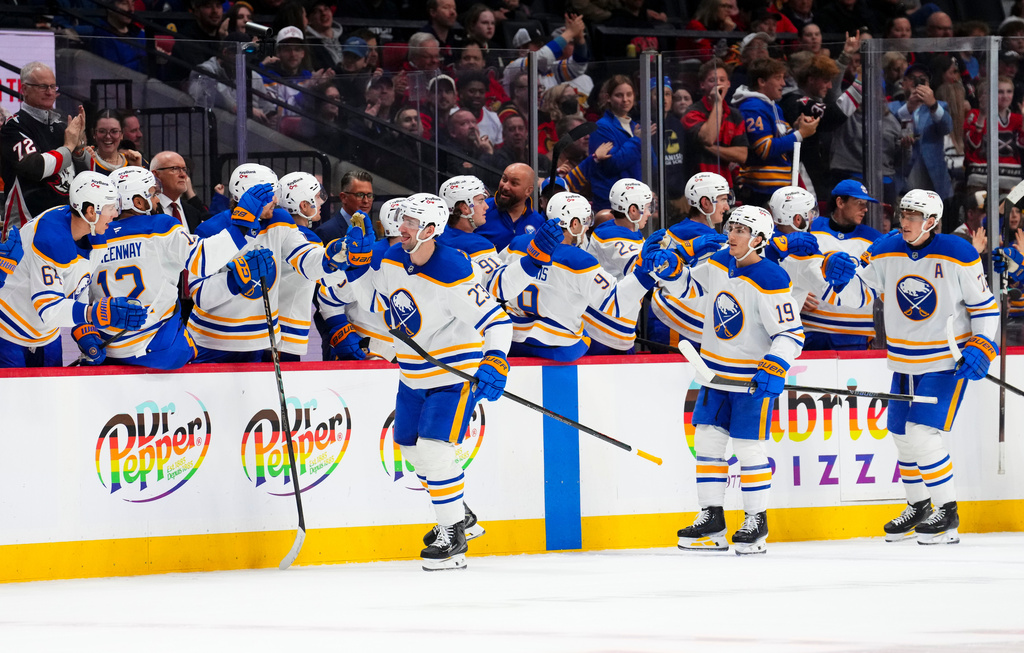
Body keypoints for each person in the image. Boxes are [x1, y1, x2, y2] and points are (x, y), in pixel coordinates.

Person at [341, 193, 513, 570]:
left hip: (455, 373)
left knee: (435, 451)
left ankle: (453, 537)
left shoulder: (453, 269)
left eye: (411, 223)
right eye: (402, 219)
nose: (401, 227)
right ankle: (459, 513)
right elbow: (373, 302)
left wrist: (496, 360)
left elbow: (498, 321)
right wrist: (355, 268)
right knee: (412, 452)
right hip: (412, 371)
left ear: (431, 230)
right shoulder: (391, 259)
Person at [839, 190, 999, 545]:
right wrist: (837, 278)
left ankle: (948, 511)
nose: (905, 221)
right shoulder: (885, 248)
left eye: (914, 216)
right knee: (899, 432)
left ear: (931, 221)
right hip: (903, 362)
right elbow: (858, 296)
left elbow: (985, 306)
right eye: (903, 214)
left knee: (921, 434)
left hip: (945, 362)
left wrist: (984, 344)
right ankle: (919, 505)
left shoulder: (958, 252)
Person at [663, 206, 804, 555]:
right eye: (732, 228)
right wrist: (667, 269)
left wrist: (776, 364)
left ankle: (756, 520)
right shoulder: (718, 262)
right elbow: (686, 286)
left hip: (749, 383)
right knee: (708, 445)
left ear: (759, 239)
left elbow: (791, 333)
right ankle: (712, 518)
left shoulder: (771, 278)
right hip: (713, 376)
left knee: (748, 448)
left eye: (742, 230)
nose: (733, 235)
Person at [186, 164, 349, 363]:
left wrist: (331, 258)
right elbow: (200, 294)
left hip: (259, 341)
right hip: (210, 341)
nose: (276, 200)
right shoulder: (211, 229)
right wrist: (234, 280)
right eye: (270, 193)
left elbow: (305, 260)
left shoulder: (279, 220)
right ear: (248, 194)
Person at [92, 166, 249, 369]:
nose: (157, 199)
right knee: (190, 347)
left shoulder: (95, 235)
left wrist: (82, 332)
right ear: (138, 202)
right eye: (153, 194)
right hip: (158, 349)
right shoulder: (161, 225)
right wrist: (243, 224)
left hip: (107, 349)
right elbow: (204, 259)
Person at [0, 171, 147, 367]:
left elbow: (80, 284)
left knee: (52, 398)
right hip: (9, 333)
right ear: (91, 211)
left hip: (47, 335)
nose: (115, 213)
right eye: (110, 207)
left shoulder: (93, 232)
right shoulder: (51, 240)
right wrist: (95, 313)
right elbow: (49, 309)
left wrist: (84, 329)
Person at [1, 62, 85, 231]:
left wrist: (79, 149)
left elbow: (83, 174)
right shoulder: (13, 127)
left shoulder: (62, 126)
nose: (49, 92)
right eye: (42, 86)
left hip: (64, 225)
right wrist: (69, 146)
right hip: (27, 228)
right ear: (24, 89)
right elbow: (36, 167)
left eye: (53, 86)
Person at [650, 172, 730, 346]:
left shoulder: (678, 228)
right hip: (679, 322)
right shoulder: (703, 236)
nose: (727, 207)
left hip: (672, 319)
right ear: (705, 203)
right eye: (723, 199)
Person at [802, 180, 882, 350]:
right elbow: (788, 267)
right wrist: (796, 294)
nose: (865, 209)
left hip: (856, 335)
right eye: (859, 203)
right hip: (812, 330)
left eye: (865, 204)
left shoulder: (875, 240)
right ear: (840, 202)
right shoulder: (810, 229)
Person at [732, 57, 819, 207]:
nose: (783, 84)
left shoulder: (773, 106)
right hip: (761, 191)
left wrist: (797, 128)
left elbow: (782, 138)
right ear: (762, 82)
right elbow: (765, 148)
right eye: (778, 78)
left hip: (776, 188)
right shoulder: (752, 107)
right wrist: (800, 134)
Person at [682, 58, 748, 190]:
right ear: (702, 85)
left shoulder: (734, 115)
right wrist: (717, 103)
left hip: (726, 186)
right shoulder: (692, 112)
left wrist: (709, 148)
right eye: (712, 80)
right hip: (698, 186)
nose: (718, 84)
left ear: (729, 84)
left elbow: (742, 155)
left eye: (722, 80)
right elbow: (708, 137)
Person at [589, 75, 651, 212]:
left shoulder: (636, 127)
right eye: (619, 95)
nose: (625, 99)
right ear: (608, 98)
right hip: (611, 205)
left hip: (636, 201)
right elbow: (612, 164)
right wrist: (637, 141)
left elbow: (652, 164)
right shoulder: (601, 127)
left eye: (629, 94)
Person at [586, 178, 651, 282]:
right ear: (633, 210)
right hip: (610, 297)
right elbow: (640, 269)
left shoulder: (626, 229)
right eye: (647, 208)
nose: (649, 213)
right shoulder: (610, 238)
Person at [474, 163, 545, 252]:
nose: (506, 186)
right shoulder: (480, 210)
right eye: (504, 179)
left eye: (514, 183)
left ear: (528, 190)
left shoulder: (539, 222)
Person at [316, 170, 374, 244]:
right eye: (360, 195)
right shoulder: (325, 232)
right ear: (343, 197)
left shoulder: (371, 231)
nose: (366, 201)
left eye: (370, 195)